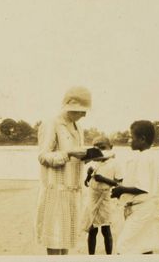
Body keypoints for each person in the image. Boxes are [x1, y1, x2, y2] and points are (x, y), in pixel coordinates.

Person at [35, 86, 91, 255]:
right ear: (71, 107)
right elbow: (43, 157)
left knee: (66, 237)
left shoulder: (78, 127)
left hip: (72, 190)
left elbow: (76, 156)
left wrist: (87, 156)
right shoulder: (52, 123)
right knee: (54, 236)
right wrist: (69, 153)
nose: (84, 115)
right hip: (56, 191)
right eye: (81, 111)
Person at [111, 120, 159, 254]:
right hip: (144, 207)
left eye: (132, 137)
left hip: (142, 208)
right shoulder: (145, 156)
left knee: (123, 246)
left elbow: (142, 187)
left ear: (142, 139)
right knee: (144, 245)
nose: (129, 140)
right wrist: (121, 191)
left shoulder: (145, 158)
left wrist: (121, 190)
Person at [81, 136, 122, 255]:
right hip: (93, 197)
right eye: (96, 148)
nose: (100, 150)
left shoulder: (115, 164)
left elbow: (119, 184)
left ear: (111, 147)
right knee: (92, 229)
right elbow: (87, 182)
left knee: (105, 229)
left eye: (103, 147)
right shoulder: (94, 162)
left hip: (106, 198)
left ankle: (109, 256)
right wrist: (88, 176)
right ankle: (91, 256)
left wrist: (103, 179)